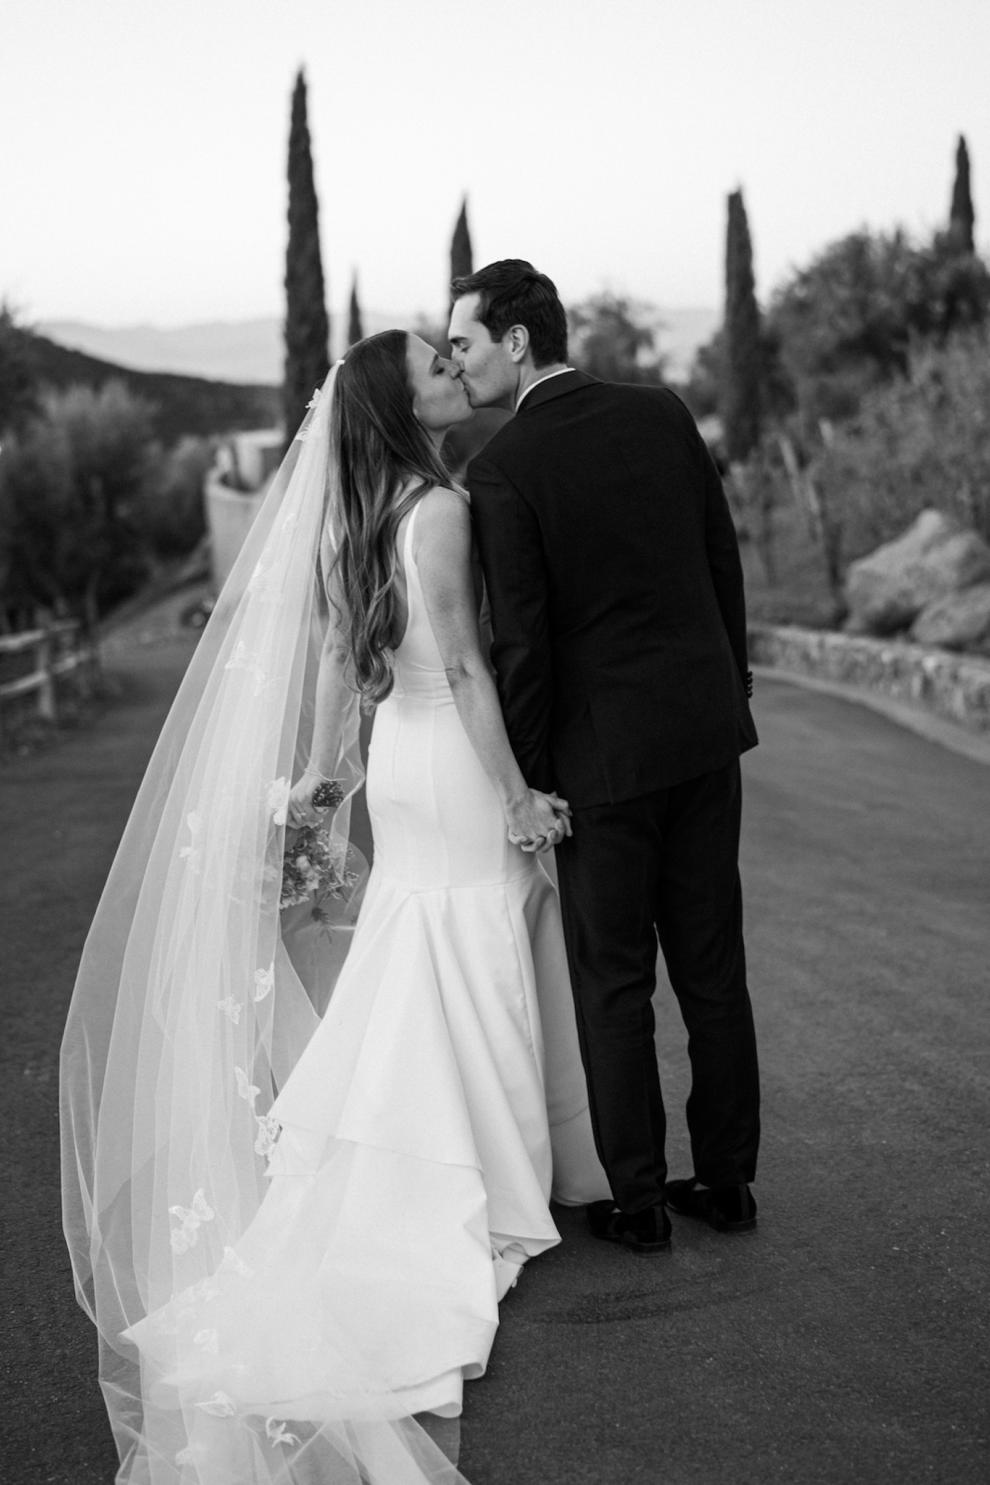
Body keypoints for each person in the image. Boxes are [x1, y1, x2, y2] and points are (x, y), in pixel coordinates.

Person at [59, 329, 608, 1485]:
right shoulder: (440, 510)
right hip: (457, 764)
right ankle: (482, 1177)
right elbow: (460, 667)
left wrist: (322, 781)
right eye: (435, 371)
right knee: (472, 951)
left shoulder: (354, 517)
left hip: (402, 766)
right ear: (401, 405)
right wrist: (519, 797)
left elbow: (347, 670)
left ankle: (440, 1151)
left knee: (421, 956)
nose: (455, 377)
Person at [448, 261, 761, 1255]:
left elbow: (523, 648)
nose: (457, 360)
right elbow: (722, 556)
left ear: (516, 342)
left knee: (615, 983)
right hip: (706, 737)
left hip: (604, 767)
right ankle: (728, 1182)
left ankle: (638, 1203)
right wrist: (733, 685)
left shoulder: (505, 469)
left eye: (464, 341)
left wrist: (531, 779)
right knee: (713, 971)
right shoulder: (662, 412)